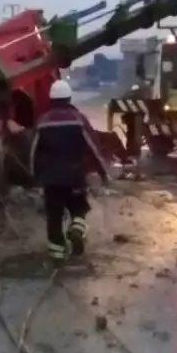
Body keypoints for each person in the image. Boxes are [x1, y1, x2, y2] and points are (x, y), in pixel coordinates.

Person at [29, 78, 110, 263]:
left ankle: (57, 255)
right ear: (69, 98)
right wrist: (103, 173)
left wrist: (33, 175)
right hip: (74, 176)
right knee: (79, 208)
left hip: (50, 179)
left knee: (54, 216)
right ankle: (76, 230)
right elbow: (93, 147)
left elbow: (33, 151)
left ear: (51, 99)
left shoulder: (42, 121)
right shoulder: (78, 119)